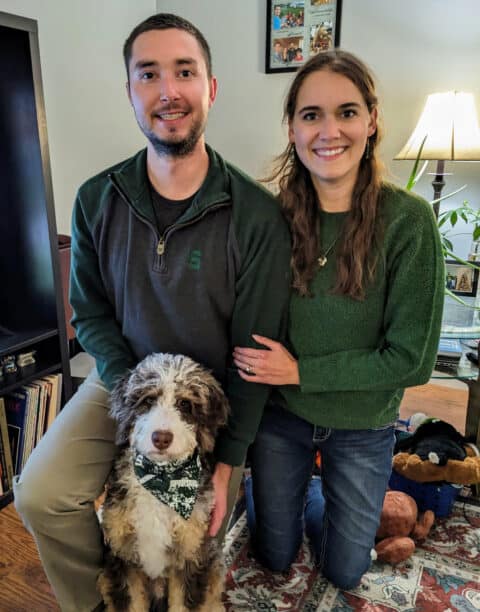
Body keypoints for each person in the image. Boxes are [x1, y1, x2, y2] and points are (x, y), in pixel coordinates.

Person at [13, 13, 291, 612]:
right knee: (39, 494)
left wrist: (228, 461)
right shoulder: (96, 200)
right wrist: (129, 394)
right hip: (124, 382)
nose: (168, 90)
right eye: (149, 74)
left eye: (184, 72)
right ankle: (106, 600)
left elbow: (255, 354)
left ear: (210, 88)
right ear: (131, 92)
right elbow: (88, 314)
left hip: (209, 402)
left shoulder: (256, 216)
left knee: (197, 533)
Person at [233, 50, 445, 590]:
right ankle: (287, 489)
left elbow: (413, 361)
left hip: (364, 423)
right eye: (311, 115)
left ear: (372, 121)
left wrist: (301, 371)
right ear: (292, 127)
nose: (330, 131)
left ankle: (329, 491)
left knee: (346, 571)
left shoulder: (409, 221)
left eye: (347, 112)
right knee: (274, 557)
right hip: (281, 418)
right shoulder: (270, 217)